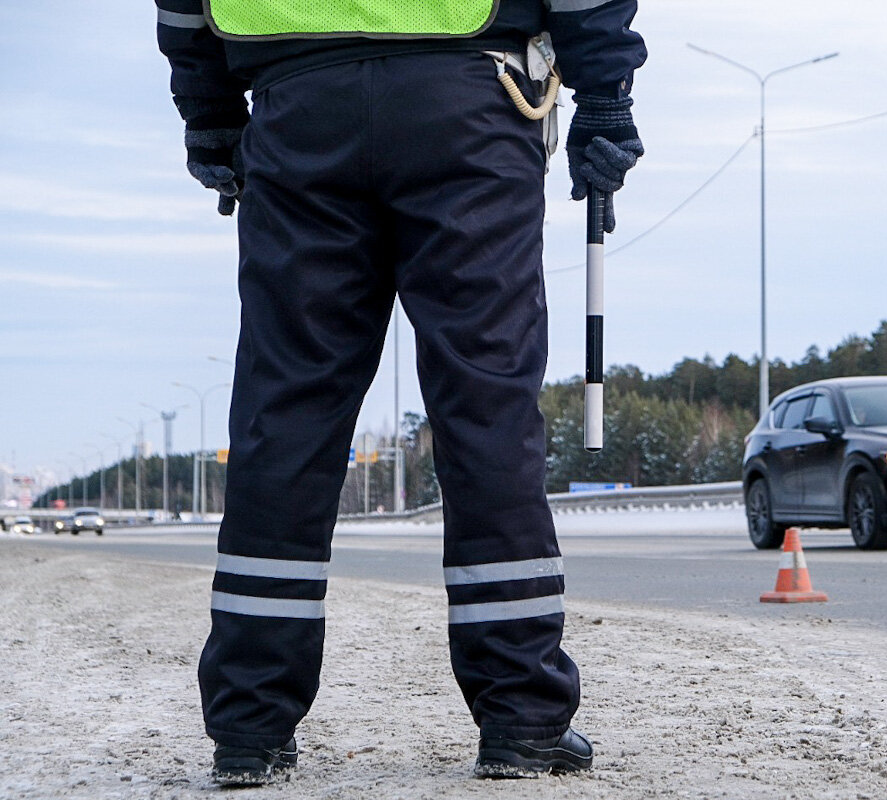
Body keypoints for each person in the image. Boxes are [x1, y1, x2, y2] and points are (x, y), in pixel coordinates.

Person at [154, 0, 646, 785]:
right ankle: (520, 717)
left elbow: (182, 6)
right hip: (470, 105)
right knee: (486, 409)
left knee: (286, 415)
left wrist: (208, 112)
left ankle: (249, 727)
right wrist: (608, 97)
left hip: (295, 108)